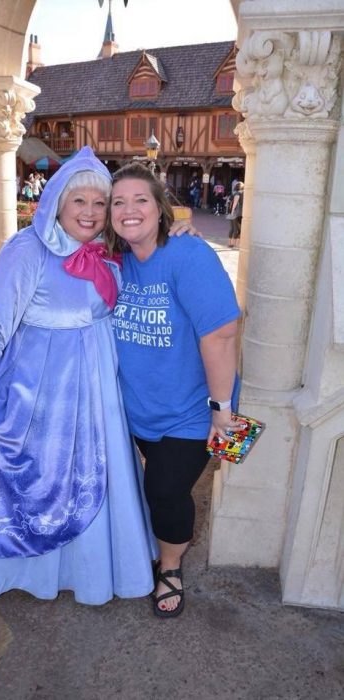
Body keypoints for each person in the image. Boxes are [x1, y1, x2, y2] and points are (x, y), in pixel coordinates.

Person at [0, 146, 158, 605]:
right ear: (58, 201)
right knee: (40, 480)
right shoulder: (27, 248)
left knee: (100, 476)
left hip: (98, 388)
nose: (91, 212)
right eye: (80, 201)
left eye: (101, 203)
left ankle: (90, 571)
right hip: (42, 389)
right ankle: (32, 572)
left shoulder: (108, 251)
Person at [106, 162, 242, 618]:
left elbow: (222, 332)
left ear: (161, 208)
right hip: (134, 410)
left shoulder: (189, 256)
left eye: (141, 199)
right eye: (118, 202)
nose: (129, 210)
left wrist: (223, 412)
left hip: (191, 412)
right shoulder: (114, 259)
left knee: (164, 489)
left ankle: (170, 567)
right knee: (142, 487)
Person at [228, 181, 244, 249]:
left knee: (232, 228)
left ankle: (230, 243)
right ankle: (234, 244)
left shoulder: (233, 193)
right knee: (237, 229)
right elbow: (235, 203)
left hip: (233, 213)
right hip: (237, 213)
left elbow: (229, 201)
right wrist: (232, 212)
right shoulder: (238, 194)